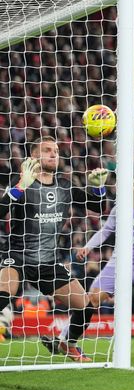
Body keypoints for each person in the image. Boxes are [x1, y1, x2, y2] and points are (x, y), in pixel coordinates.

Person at [42, 173, 134, 355]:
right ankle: (63, 340)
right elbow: (105, 231)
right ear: (130, 188)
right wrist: (87, 247)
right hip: (117, 265)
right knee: (90, 300)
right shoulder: (121, 209)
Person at [0, 136, 109, 362]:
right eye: (47, 150)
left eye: (56, 150)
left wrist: (99, 189)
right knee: (2, 295)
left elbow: (99, 207)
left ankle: (67, 344)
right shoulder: (22, 184)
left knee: (86, 305)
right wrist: (21, 185)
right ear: (33, 156)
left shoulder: (64, 187)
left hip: (48, 262)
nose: (53, 154)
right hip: (18, 256)